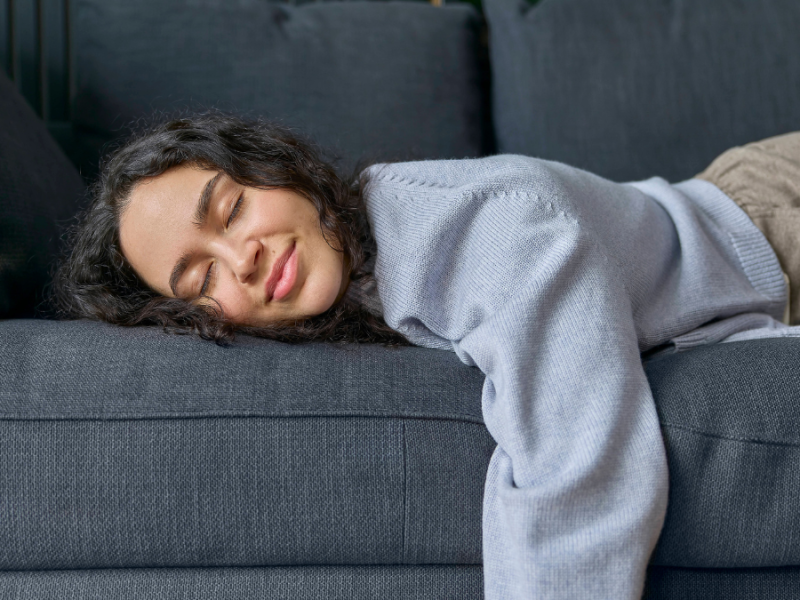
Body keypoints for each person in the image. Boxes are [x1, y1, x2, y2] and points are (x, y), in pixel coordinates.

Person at [51, 113, 800, 600]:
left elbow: (574, 458)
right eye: (201, 277)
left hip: (773, 216)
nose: (239, 258)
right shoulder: (352, 278)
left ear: (278, 170)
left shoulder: (481, 233)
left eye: (231, 209)